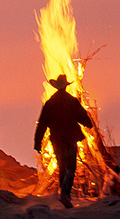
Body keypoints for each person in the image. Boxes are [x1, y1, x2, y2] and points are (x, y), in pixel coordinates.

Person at [35, 74, 95, 207]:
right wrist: (89, 124)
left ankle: (63, 193)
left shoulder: (50, 103)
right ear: (66, 87)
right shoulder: (72, 101)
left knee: (62, 165)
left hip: (57, 139)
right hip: (70, 139)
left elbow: (42, 124)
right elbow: (82, 117)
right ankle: (65, 194)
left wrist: (37, 142)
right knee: (70, 166)